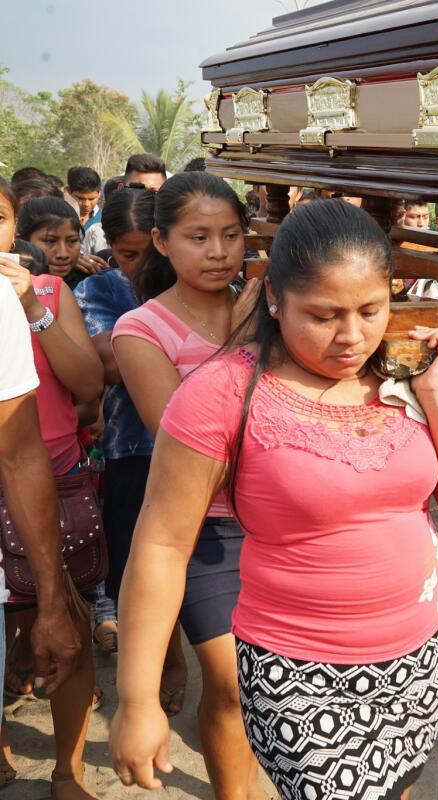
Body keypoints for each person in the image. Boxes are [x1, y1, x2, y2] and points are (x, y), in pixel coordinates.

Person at [110, 198, 438, 800]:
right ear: (274, 300)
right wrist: (136, 701)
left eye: (371, 310)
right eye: (323, 315)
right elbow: (162, 545)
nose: (352, 336)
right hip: (298, 669)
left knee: (397, 787)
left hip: (417, 651)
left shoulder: (401, 373)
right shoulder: (221, 394)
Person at [109, 172, 265, 799]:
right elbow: (189, 451)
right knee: (232, 687)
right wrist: (249, 340)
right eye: (198, 236)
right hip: (206, 525)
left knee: (271, 686)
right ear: (162, 241)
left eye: (230, 235)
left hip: (279, 517)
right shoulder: (141, 330)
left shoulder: (273, 303)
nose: (218, 251)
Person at [0, 177, 87, 796]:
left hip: (52, 479)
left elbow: (23, 449)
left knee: (59, 621)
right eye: (46, 237)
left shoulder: (18, 301)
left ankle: (68, 769)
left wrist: (33, 304)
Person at [74, 189, 158, 659]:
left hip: (203, 446)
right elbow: (108, 363)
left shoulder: (203, 284)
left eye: (151, 253)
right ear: (111, 247)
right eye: (128, 255)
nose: (142, 265)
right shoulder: (100, 287)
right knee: (131, 558)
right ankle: (153, 658)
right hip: (133, 445)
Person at [17, 197, 108, 289]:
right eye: (50, 241)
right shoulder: (9, 285)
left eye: (72, 241)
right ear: (22, 240)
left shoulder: (92, 286)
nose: (63, 254)